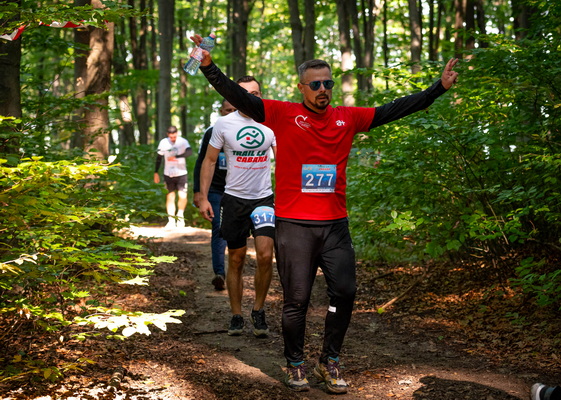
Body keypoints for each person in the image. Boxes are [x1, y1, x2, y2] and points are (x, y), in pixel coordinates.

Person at [190, 33, 458, 394]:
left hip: (335, 225)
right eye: (315, 84)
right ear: (301, 87)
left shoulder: (347, 117)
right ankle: (295, 363)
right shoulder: (282, 114)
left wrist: (438, 88)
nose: (323, 90)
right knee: (296, 301)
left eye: (327, 84)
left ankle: (329, 360)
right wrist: (208, 67)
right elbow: (239, 97)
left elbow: (394, 109)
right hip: (294, 225)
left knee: (344, 293)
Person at [198, 76, 276, 338]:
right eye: (245, 93)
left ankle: (258, 310)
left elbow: (285, 159)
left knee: (265, 255)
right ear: (236, 96)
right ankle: (236, 314)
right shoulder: (223, 124)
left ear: (261, 95)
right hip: (233, 199)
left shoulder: (271, 121)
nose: (251, 98)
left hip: (263, 199)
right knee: (236, 258)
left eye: (256, 93)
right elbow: (209, 161)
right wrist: (204, 197)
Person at [193, 99, 237, 290]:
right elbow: (201, 161)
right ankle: (219, 273)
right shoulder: (212, 132)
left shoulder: (247, 132)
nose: (232, 113)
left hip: (239, 189)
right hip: (216, 189)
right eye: (228, 110)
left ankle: (236, 274)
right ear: (221, 111)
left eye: (235, 109)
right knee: (218, 227)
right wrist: (198, 192)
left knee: (237, 231)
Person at [154, 126, 193, 229]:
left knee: (182, 195)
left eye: (174, 137)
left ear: (177, 133)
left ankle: (180, 216)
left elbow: (189, 152)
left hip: (181, 173)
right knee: (170, 196)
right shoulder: (163, 142)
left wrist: (176, 157)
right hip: (168, 173)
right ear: (168, 135)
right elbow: (159, 157)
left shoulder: (183, 141)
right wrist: (156, 172)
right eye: (171, 137)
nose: (173, 139)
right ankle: (171, 220)